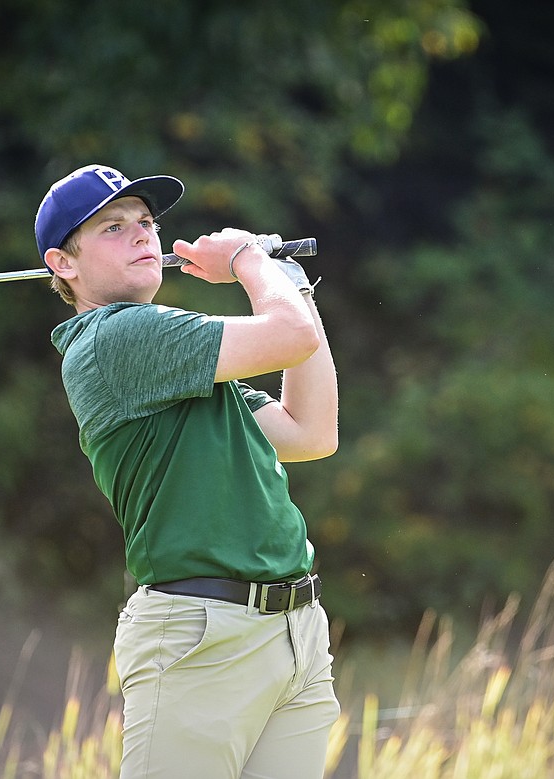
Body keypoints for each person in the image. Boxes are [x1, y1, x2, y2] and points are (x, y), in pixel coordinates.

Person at [35, 164, 340, 778]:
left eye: (146, 221)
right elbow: (288, 337)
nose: (143, 235)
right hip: (202, 637)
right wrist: (253, 262)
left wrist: (293, 284)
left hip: (294, 634)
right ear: (63, 264)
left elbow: (311, 431)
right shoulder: (118, 339)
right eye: (113, 228)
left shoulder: (175, 358)